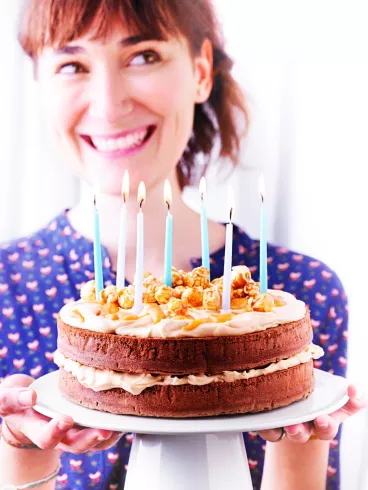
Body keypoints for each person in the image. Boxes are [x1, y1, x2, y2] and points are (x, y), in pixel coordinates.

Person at [0, 0, 365, 489]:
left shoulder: (296, 295)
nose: (109, 104)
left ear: (200, 71)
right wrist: (21, 447)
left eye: (143, 55)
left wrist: (307, 434)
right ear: (40, 88)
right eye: (72, 65)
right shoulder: (8, 288)